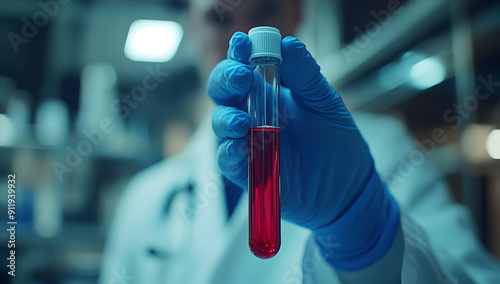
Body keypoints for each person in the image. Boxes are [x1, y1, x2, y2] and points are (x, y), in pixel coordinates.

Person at [99, 0, 500, 283]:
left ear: (298, 13)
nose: (243, 36)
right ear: (192, 25)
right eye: (218, 17)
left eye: (266, 11)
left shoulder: (379, 148)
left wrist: (364, 230)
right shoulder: (146, 198)